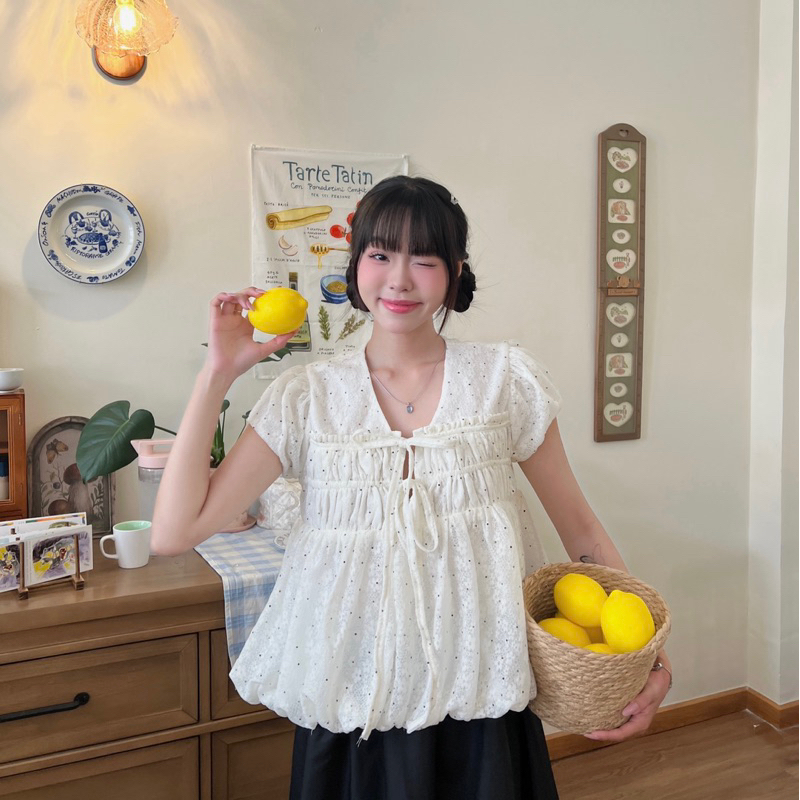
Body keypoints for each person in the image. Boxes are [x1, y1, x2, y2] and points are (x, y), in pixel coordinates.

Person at [151, 175, 672, 799]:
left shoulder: (504, 381)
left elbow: (581, 530)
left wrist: (647, 659)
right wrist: (218, 372)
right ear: (356, 267)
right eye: (380, 255)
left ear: (455, 274)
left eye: (424, 259)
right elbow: (174, 532)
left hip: (483, 699)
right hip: (352, 707)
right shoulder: (306, 397)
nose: (399, 280)